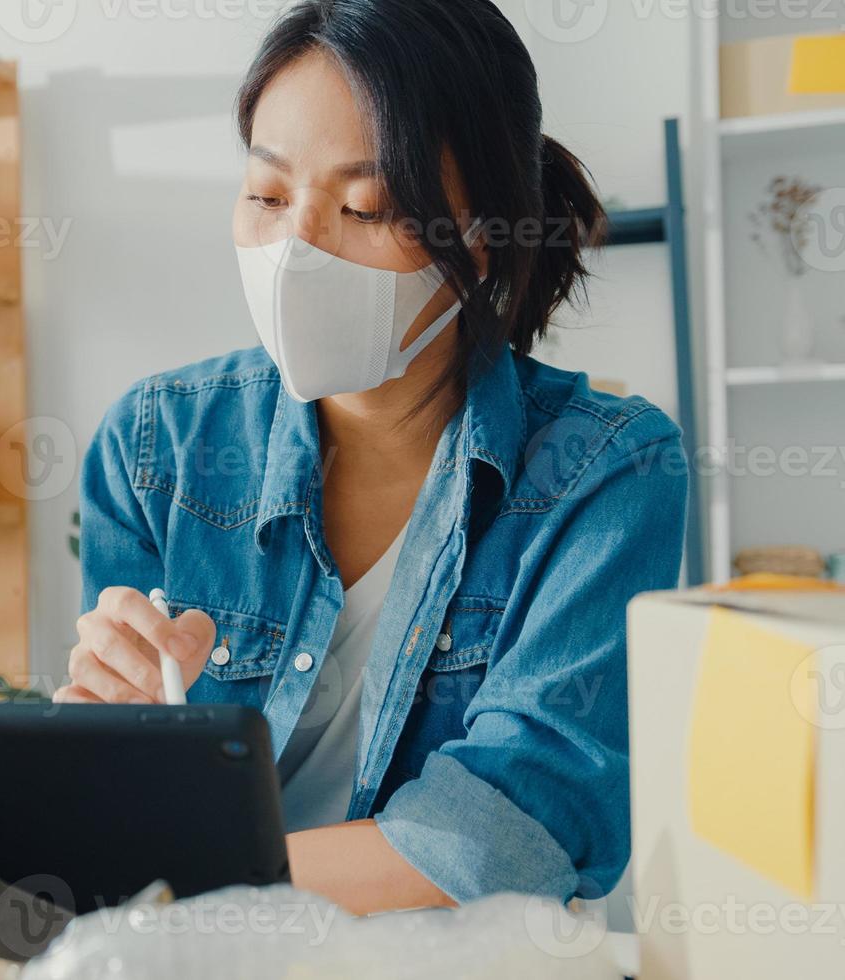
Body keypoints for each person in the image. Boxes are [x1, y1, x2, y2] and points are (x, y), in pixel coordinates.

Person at [67, 0, 687, 914]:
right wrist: (114, 732)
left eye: (366, 206)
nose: (295, 249)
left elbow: (515, 828)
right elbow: (119, 808)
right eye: (267, 196)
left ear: (483, 241)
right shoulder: (156, 446)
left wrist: (191, 869)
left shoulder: (607, 470)